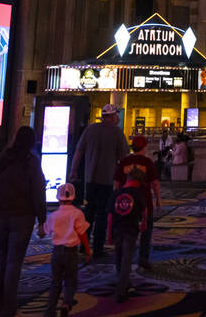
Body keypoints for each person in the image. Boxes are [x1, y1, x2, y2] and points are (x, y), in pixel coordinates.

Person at [0, 126, 47, 317]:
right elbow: (38, 192)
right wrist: (42, 220)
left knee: (0, 257)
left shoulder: (1, 159)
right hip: (22, 217)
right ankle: (8, 308)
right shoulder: (31, 163)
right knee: (13, 263)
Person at [69, 103, 130, 259]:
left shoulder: (90, 130)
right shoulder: (117, 133)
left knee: (88, 213)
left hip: (90, 180)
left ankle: (84, 245)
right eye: (116, 115)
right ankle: (97, 248)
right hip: (107, 180)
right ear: (110, 117)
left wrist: (73, 170)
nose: (117, 118)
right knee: (102, 215)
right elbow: (124, 159)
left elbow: (79, 151)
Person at [113, 135, 161, 271]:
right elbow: (155, 184)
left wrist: (115, 199)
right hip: (144, 202)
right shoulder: (147, 162)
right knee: (146, 232)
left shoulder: (123, 162)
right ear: (145, 147)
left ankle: (122, 259)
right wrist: (158, 200)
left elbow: (116, 183)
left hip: (125, 203)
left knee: (125, 231)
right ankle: (143, 259)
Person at [44, 183, 91, 317]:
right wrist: (87, 250)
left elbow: (45, 231)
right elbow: (82, 233)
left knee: (55, 282)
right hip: (71, 251)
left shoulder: (53, 215)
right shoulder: (78, 213)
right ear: (73, 196)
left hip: (57, 251)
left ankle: (50, 310)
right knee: (71, 280)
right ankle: (66, 303)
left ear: (58, 198)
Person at [109, 167, 148, 303]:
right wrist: (144, 223)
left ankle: (125, 283)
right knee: (126, 260)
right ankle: (121, 290)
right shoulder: (138, 193)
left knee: (119, 259)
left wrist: (109, 234)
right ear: (138, 181)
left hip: (116, 229)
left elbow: (110, 215)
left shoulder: (117, 193)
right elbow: (144, 210)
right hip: (130, 230)